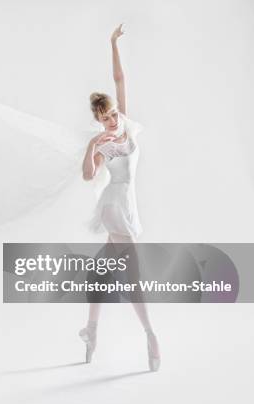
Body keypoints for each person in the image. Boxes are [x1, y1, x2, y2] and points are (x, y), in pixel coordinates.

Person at [79, 23, 161, 371]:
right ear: (98, 121)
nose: (112, 120)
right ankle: (151, 336)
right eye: (106, 118)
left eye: (113, 114)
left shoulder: (125, 125)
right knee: (133, 276)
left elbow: (119, 79)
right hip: (114, 206)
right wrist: (90, 146)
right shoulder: (103, 143)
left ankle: (91, 331)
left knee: (100, 273)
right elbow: (87, 175)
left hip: (126, 204)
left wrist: (112, 42)